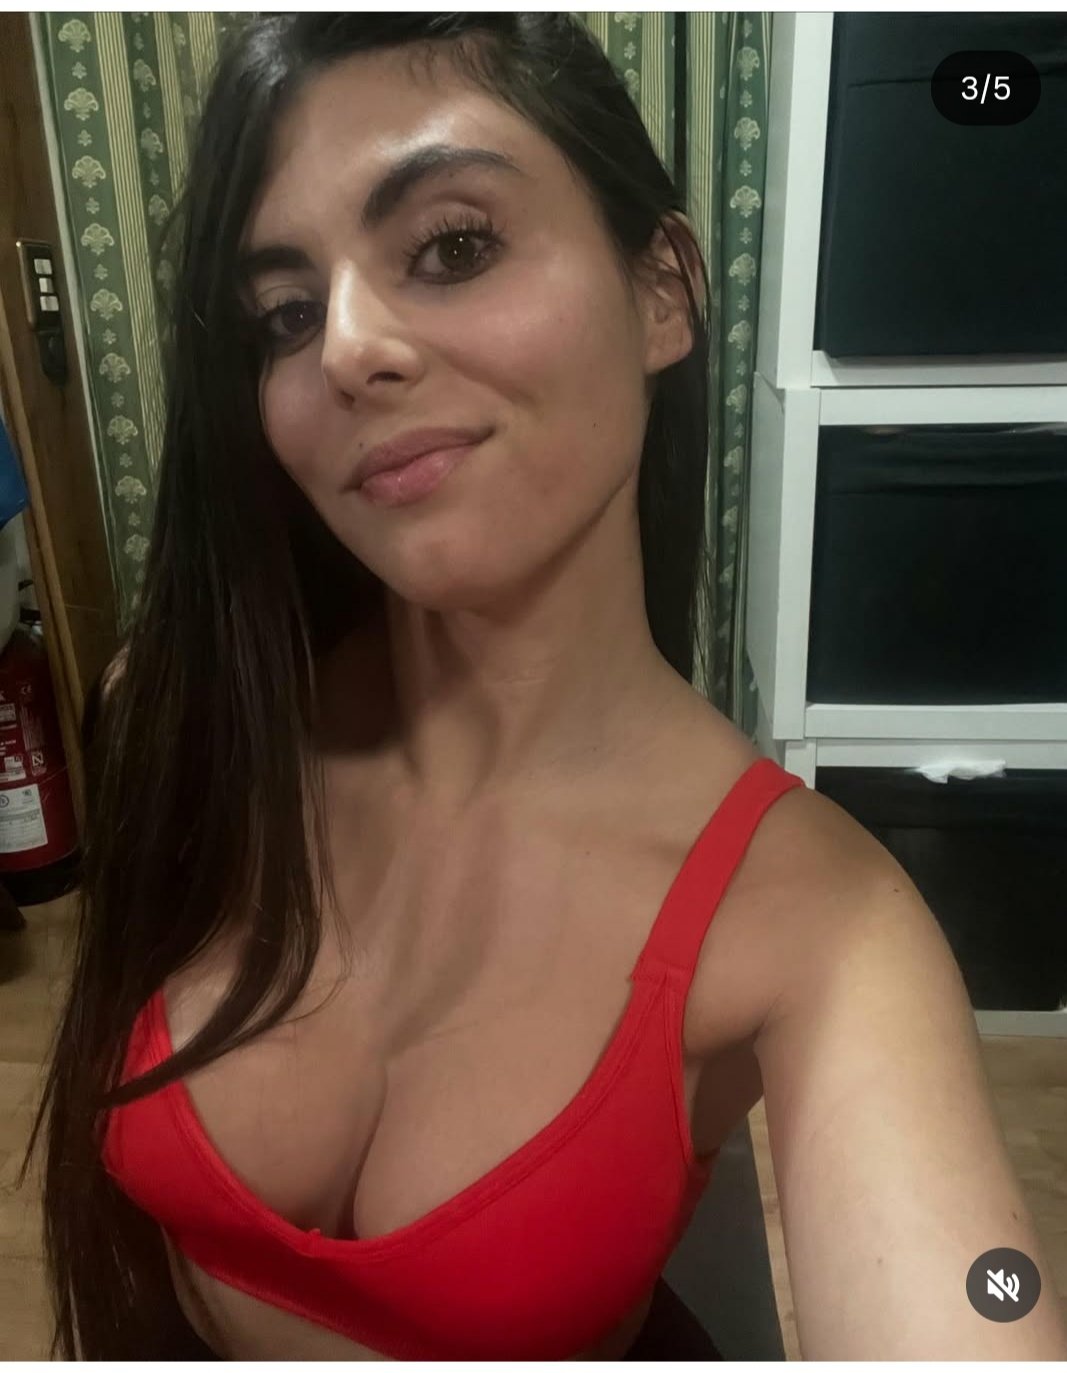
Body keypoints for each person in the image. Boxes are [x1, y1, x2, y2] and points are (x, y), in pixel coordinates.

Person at [21, 13, 1067, 1363]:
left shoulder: (824, 927)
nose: (345, 347)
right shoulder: (188, 716)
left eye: (453, 246)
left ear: (663, 293)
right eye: (286, 311)